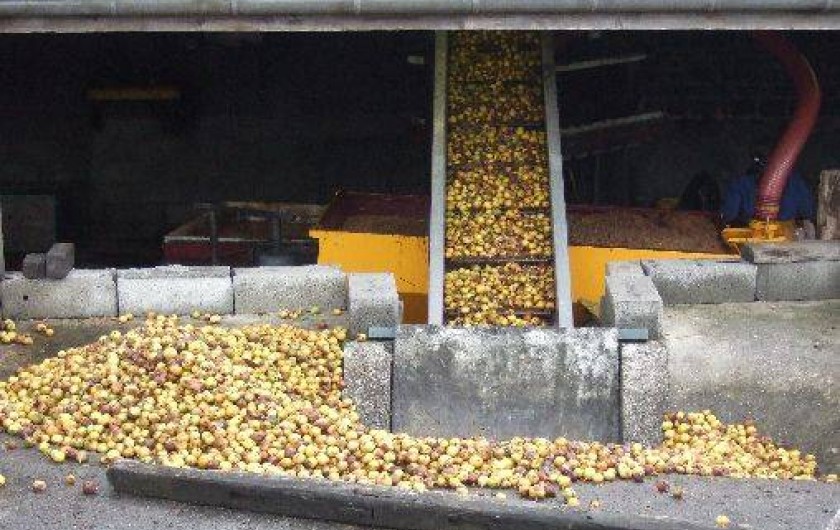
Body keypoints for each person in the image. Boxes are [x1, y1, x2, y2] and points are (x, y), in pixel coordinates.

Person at [720, 153, 815, 227]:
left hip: (753, 234)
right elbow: (808, 212)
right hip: (786, 236)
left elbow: (729, 214)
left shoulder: (741, 183)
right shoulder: (796, 182)